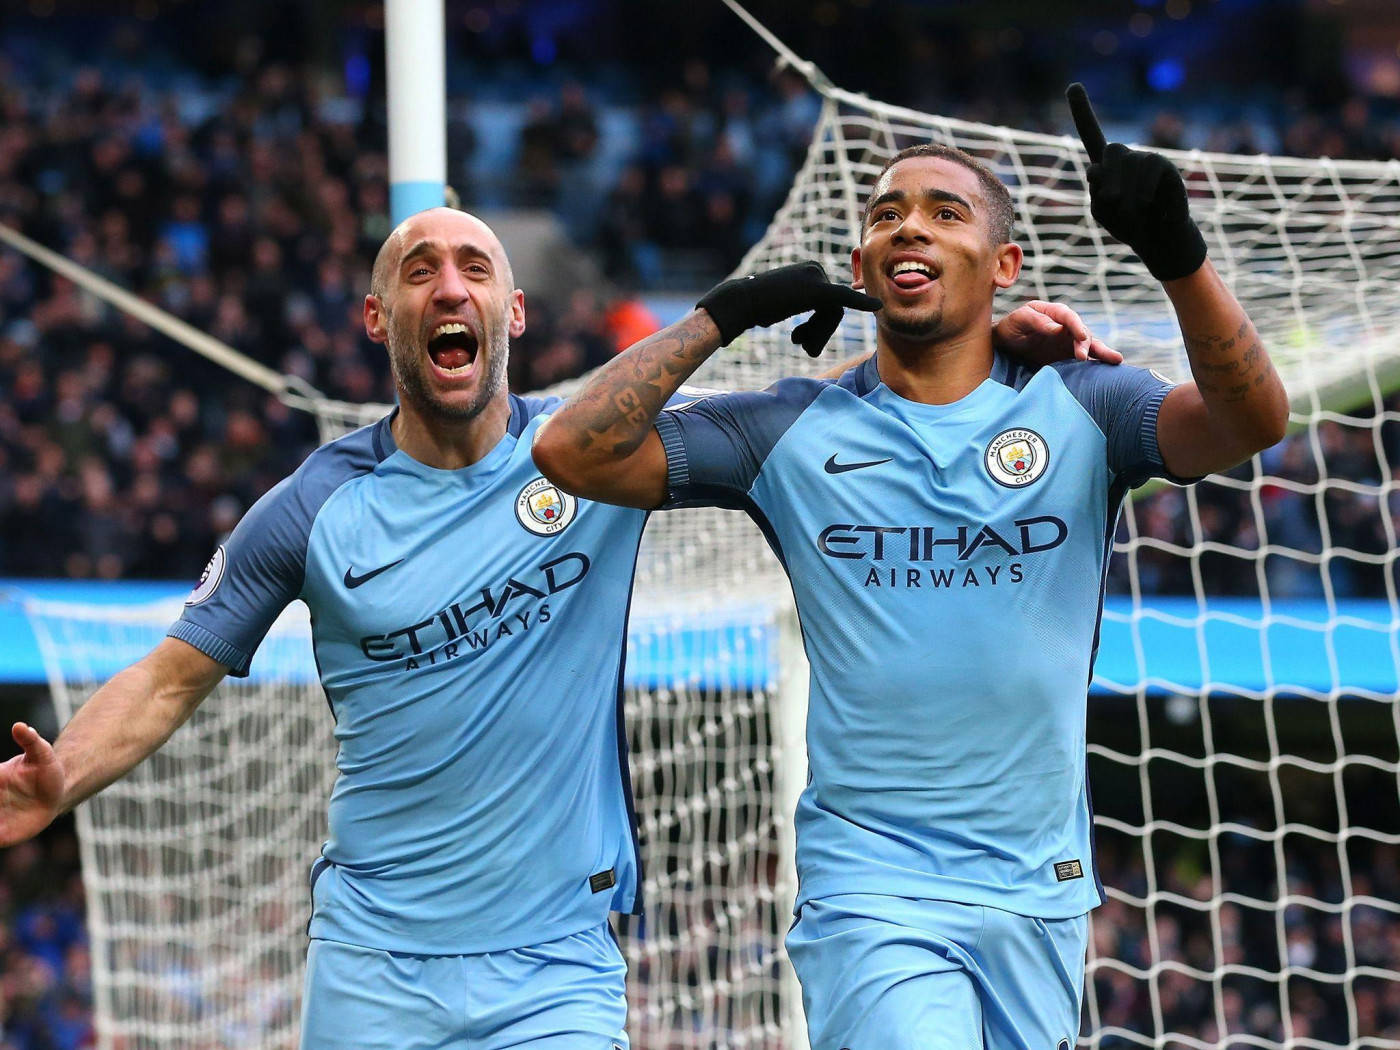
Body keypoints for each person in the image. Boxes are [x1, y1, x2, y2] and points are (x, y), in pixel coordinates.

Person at [0, 204, 1111, 1049]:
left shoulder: (595, 458)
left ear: (511, 315)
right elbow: (168, 676)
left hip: (557, 969)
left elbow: (842, 411)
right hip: (375, 962)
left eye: (475, 268)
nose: (450, 287)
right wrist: (62, 780)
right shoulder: (311, 509)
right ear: (378, 319)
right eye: (417, 272)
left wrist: (982, 343)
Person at [531, 84, 1289, 1050]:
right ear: (859, 266)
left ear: (1004, 265)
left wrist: (1176, 254)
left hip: (1038, 888)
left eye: (944, 211)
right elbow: (571, 453)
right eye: (885, 214)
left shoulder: (1085, 405)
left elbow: (1252, 421)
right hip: (871, 886)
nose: (907, 228)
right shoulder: (788, 428)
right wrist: (725, 313)